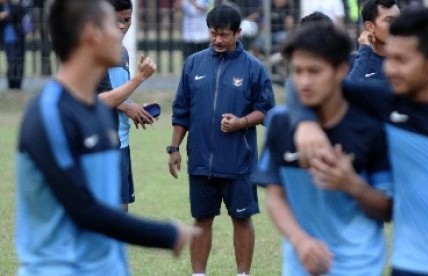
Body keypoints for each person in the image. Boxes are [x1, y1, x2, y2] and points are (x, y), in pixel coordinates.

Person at [15, 0, 198, 275]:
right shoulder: (48, 115)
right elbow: (85, 209)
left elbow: (111, 207)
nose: (122, 30)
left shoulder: (98, 114)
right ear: (92, 34)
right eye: (114, 24)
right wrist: (167, 234)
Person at [289, 7, 428, 275]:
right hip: (409, 266)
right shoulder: (384, 102)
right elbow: (303, 84)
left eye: (401, 60)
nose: (390, 69)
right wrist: (305, 122)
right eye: (389, 58)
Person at [255, 22, 392, 275]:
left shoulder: (371, 127)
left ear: (341, 70)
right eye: (297, 71)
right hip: (301, 263)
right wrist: (300, 241)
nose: (304, 82)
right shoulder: (280, 123)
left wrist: (352, 184)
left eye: (314, 71)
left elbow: (388, 209)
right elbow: (275, 196)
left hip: (359, 264)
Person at [168, 5, 275, 275]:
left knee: (242, 219)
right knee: (201, 219)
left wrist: (242, 122)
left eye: (224, 35)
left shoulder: (254, 68)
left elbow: (265, 110)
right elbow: (181, 111)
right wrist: (174, 148)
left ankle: (243, 274)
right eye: (213, 34)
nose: (217, 40)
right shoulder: (194, 64)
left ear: (238, 33)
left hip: (239, 162)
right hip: (201, 161)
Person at [97, 0, 156, 212]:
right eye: (116, 20)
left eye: (127, 20)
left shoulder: (121, 51)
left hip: (121, 141)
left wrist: (134, 108)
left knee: (121, 211)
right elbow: (98, 99)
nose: (122, 25)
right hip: (101, 143)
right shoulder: (94, 50)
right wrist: (140, 78)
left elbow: (117, 91)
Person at [348, 0, 400, 81]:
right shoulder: (354, 62)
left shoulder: (408, 59)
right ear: (370, 27)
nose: (397, 25)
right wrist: (364, 50)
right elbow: (350, 89)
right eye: (389, 20)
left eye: (398, 20)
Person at [0, 0, 26, 89]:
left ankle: (18, 84)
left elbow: (21, 11)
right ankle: (11, 84)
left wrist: (8, 13)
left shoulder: (14, 6)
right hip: (7, 39)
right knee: (10, 62)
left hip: (17, 38)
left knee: (18, 61)